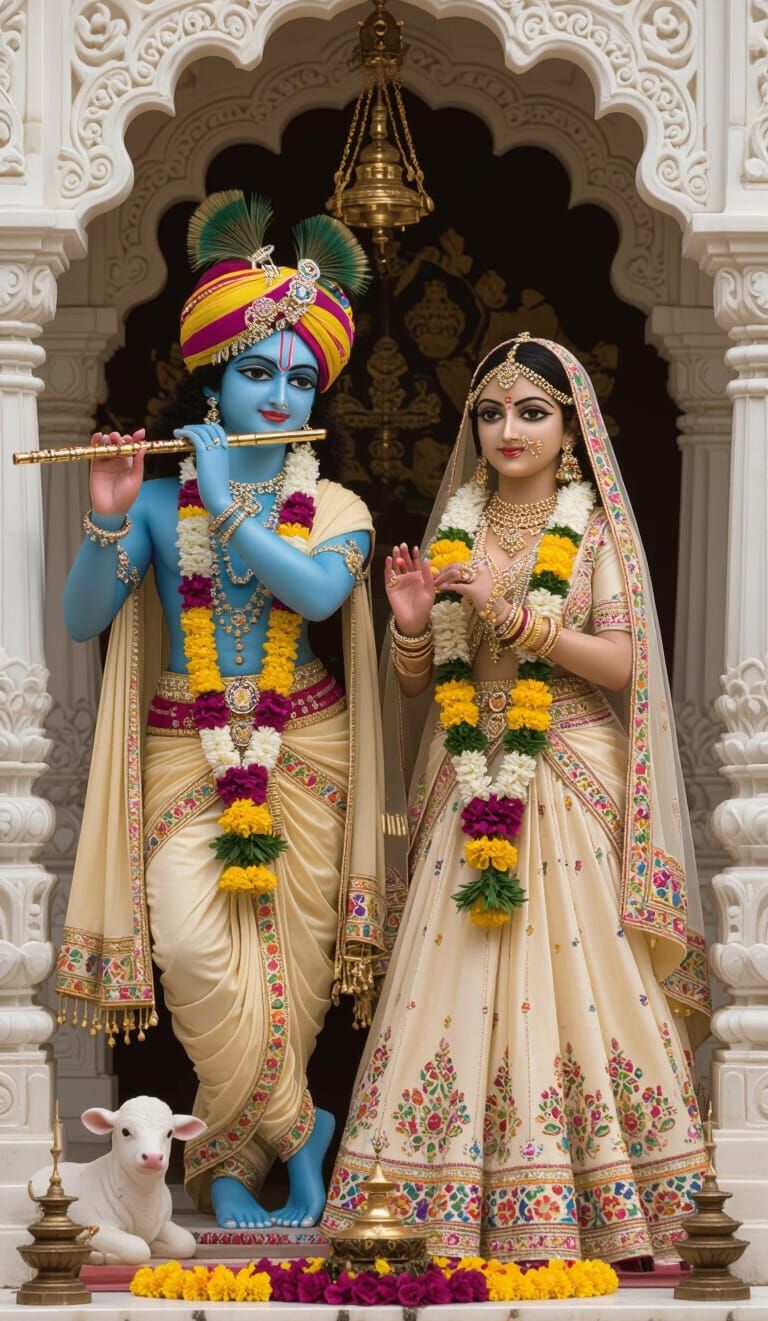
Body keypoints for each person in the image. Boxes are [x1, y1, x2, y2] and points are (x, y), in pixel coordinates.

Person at [324, 334, 710, 1264]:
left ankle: (607, 1201)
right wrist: (414, 628)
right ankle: (428, 1199)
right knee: (450, 976)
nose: (508, 429)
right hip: (466, 775)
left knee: (579, 977)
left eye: (531, 412)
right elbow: (418, 688)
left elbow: (620, 665)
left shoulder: (596, 531)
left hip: (566, 767)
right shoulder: (458, 520)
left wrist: (514, 614)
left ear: (571, 431)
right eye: (491, 412)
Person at [56, 191, 387, 1232]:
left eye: (299, 378)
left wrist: (231, 497)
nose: (281, 396)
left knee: (299, 963)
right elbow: (82, 621)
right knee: (198, 956)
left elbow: (318, 596)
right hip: (179, 748)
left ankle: (236, 1165)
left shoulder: (336, 507)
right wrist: (112, 522)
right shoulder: (158, 500)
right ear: (212, 378)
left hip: (307, 745)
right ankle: (300, 1131)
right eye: (256, 373)